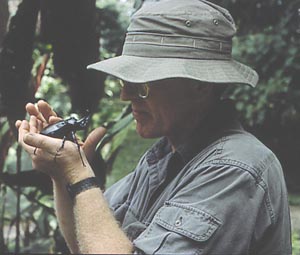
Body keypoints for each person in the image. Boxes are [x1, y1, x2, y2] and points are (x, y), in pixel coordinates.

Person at [16, 0, 292, 254]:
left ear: (200, 84)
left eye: (142, 84)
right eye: (125, 82)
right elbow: (87, 244)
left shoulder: (235, 168)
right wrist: (62, 176)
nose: (126, 95)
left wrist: (79, 175)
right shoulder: (161, 160)